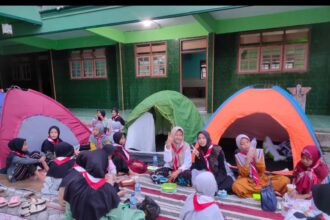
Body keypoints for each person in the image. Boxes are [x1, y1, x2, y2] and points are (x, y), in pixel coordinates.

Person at [60, 149, 120, 220]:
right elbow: (115, 216)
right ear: (105, 165)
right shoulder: (108, 189)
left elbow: (68, 214)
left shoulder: (73, 182)